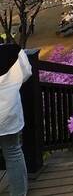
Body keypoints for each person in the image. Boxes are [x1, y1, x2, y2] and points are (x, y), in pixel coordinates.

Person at [0, 43, 32, 196]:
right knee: (13, 152)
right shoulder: (12, 51)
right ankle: (19, 193)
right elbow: (26, 73)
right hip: (8, 114)